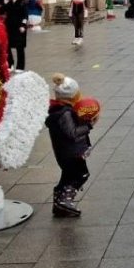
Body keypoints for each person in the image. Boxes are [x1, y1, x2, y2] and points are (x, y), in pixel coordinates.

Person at [46, 74, 93, 218]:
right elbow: (72, 133)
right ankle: (65, 201)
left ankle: (59, 201)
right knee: (80, 174)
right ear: (73, 96)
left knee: (67, 176)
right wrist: (89, 125)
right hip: (71, 153)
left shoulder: (60, 110)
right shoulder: (64, 113)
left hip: (66, 152)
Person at [0, 0, 28, 71]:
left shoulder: (22, 2)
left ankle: (20, 67)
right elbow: (0, 11)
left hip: (20, 28)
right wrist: (4, 3)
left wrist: (23, 25)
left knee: (19, 47)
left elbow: (25, 15)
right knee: (7, 46)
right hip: (9, 27)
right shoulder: (8, 3)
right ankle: (10, 64)